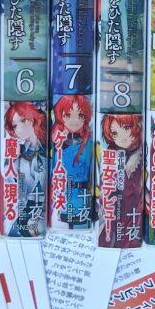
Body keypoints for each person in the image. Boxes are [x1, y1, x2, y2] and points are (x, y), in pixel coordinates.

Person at [99, 113, 144, 247]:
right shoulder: (110, 156)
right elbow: (107, 185)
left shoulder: (140, 153)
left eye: (127, 128)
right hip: (116, 209)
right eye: (115, 133)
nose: (122, 137)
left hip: (135, 210)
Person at [4, 101, 47, 236]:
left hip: (43, 209)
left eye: (23, 120)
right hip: (22, 210)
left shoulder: (47, 148)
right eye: (15, 125)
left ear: (33, 119)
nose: (19, 129)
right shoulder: (19, 154)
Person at [50, 95, 95, 226]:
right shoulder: (56, 141)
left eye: (80, 115)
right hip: (61, 198)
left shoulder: (89, 141)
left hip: (83, 198)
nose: (74, 121)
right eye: (68, 115)